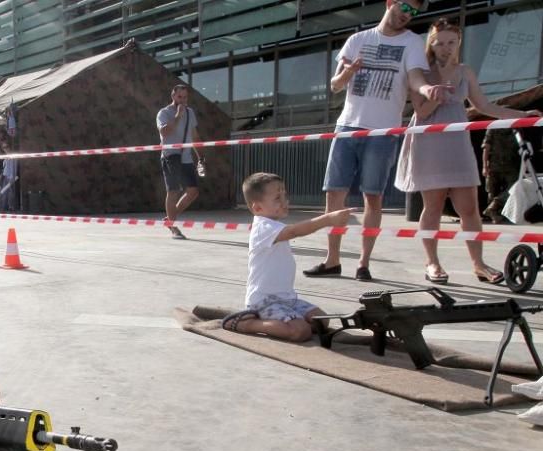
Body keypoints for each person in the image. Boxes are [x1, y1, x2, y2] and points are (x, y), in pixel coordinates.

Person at [304, 0, 450, 282]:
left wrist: (429, 89)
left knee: (373, 196)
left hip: (383, 131)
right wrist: (348, 73)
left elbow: (415, 78)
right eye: (405, 7)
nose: (408, 15)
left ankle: (363, 263)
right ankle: (332, 260)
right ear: (390, 3)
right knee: (334, 194)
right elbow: (335, 85)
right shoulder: (358, 39)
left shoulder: (412, 42)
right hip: (347, 126)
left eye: (414, 12)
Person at [394, 18, 542, 285]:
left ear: (459, 43)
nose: (445, 48)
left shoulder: (465, 71)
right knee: (433, 206)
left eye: (451, 42)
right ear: (432, 43)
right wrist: (435, 92)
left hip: (458, 143)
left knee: (470, 208)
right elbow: (421, 112)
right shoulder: (421, 71)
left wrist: (522, 114)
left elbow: (486, 106)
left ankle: (479, 263)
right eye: (440, 43)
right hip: (430, 143)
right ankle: (432, 263)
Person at [222, 173, 353, 341]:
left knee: (322, 321)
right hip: (264, 301)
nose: (285, 201)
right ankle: (247, 324)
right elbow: (294, 231)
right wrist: (327, 219)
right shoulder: (263, 227)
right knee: (300, 332)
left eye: (285, 195)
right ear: (257, 208)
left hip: (287, 297)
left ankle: (284, 320)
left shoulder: (274, 225)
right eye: (277, 198)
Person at [157, 84, 205, 240]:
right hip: (170, 155)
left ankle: (170, 219)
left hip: (186, 157)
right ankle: (173, 228)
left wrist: (201, 157)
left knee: (193, 191)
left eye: (185, 97)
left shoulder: (190, 113)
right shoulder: (164, 113)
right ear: (173, 96)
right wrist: (177, 116)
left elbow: (195, 136)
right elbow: (164, 132)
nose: (183, 100)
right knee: (173, 191)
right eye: (179, 97)